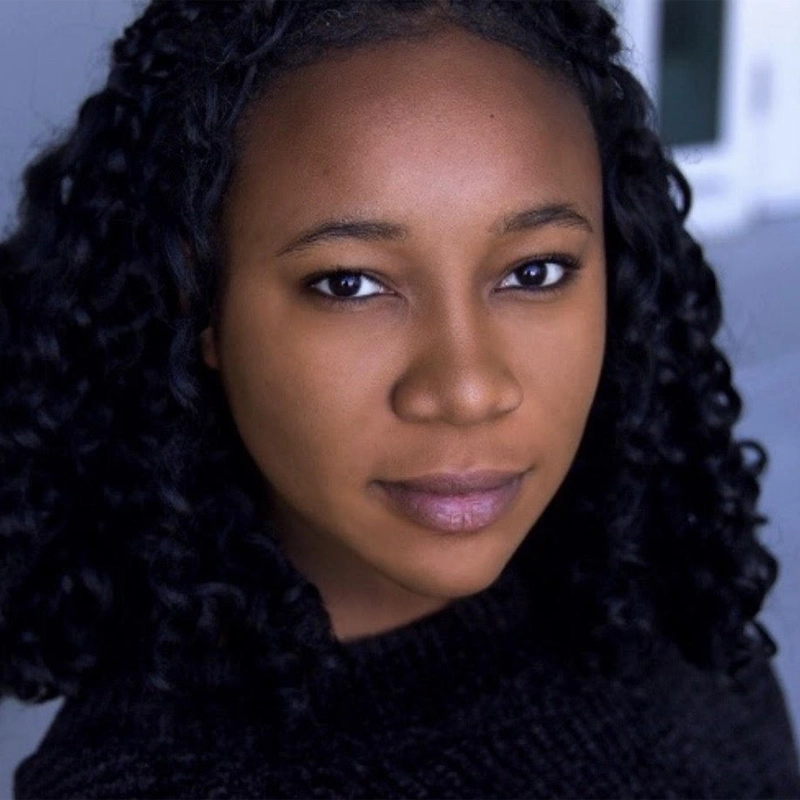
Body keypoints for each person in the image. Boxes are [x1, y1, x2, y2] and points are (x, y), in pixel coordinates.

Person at [1, 0, 798, 797]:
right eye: (349, 283)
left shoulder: (678, 627)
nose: (467, 388)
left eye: (535, 272)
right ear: (196, 300)